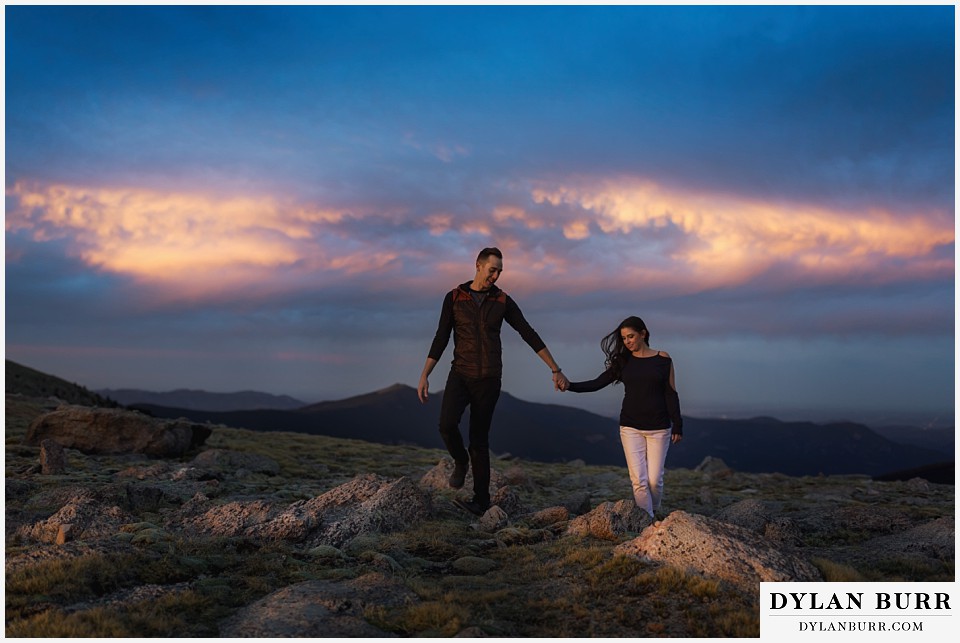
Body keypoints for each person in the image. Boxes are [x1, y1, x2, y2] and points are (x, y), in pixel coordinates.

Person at [418, 247, 569, 516]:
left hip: (489, 378)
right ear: (478, 265)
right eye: (492, 270)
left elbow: (528, 333)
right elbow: (441, 337)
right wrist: (425, 373)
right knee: (446, 424)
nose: (496, 276)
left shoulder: (502, 301)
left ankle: (480, 501)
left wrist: (555, 369)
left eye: (499, 271)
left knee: (479, 440)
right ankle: (460, 462)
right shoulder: (454, 298)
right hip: (460, 373)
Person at [560, 316, 683, 520]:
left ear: (643, 334)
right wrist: (570, 385)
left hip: (659, 428)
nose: (627, 341)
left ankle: (654, 508)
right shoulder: (623, 362)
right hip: (630, 427)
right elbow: (597, 383)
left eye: (631, 336)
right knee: (639, 480)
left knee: (655, 481)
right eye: (624, 338)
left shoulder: (663, 359)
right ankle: (647, 520)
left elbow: (671, 393)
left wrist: (677, 424)